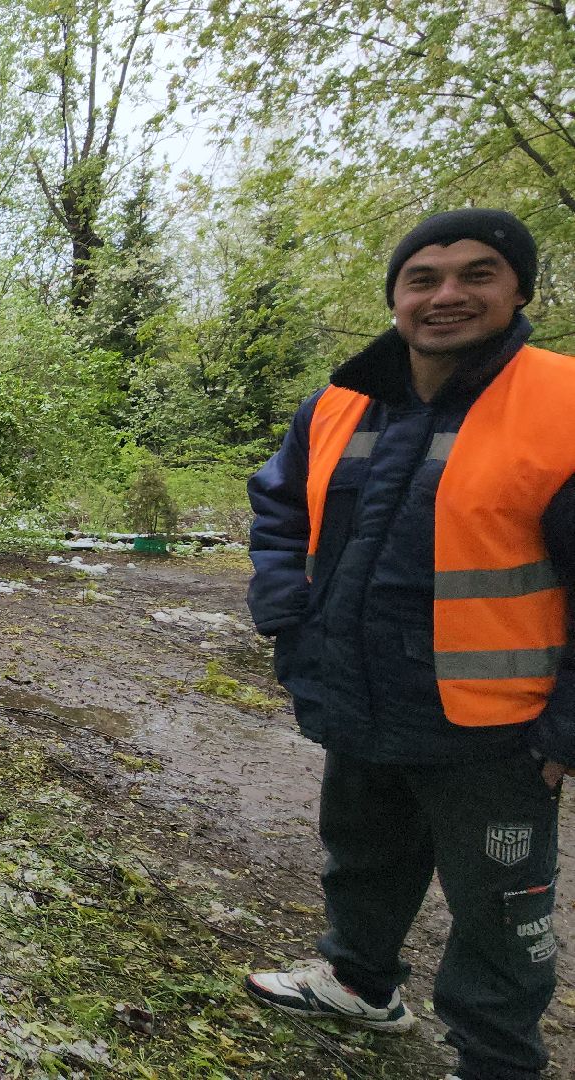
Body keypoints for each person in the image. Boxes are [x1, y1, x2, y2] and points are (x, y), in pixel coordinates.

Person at [244, 209, 575, 1080]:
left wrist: (568, 728)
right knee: (363, 855)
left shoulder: (562, 403)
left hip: (496, 724)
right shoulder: (339, 403)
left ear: (519, 290)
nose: (446, 295)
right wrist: (284, 610)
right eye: (423, 278)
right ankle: (359, 982)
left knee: (501, 906)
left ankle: (498, 1061)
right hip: (359, 693)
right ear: (395, 296)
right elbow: (280, 508)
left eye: (477, 274)